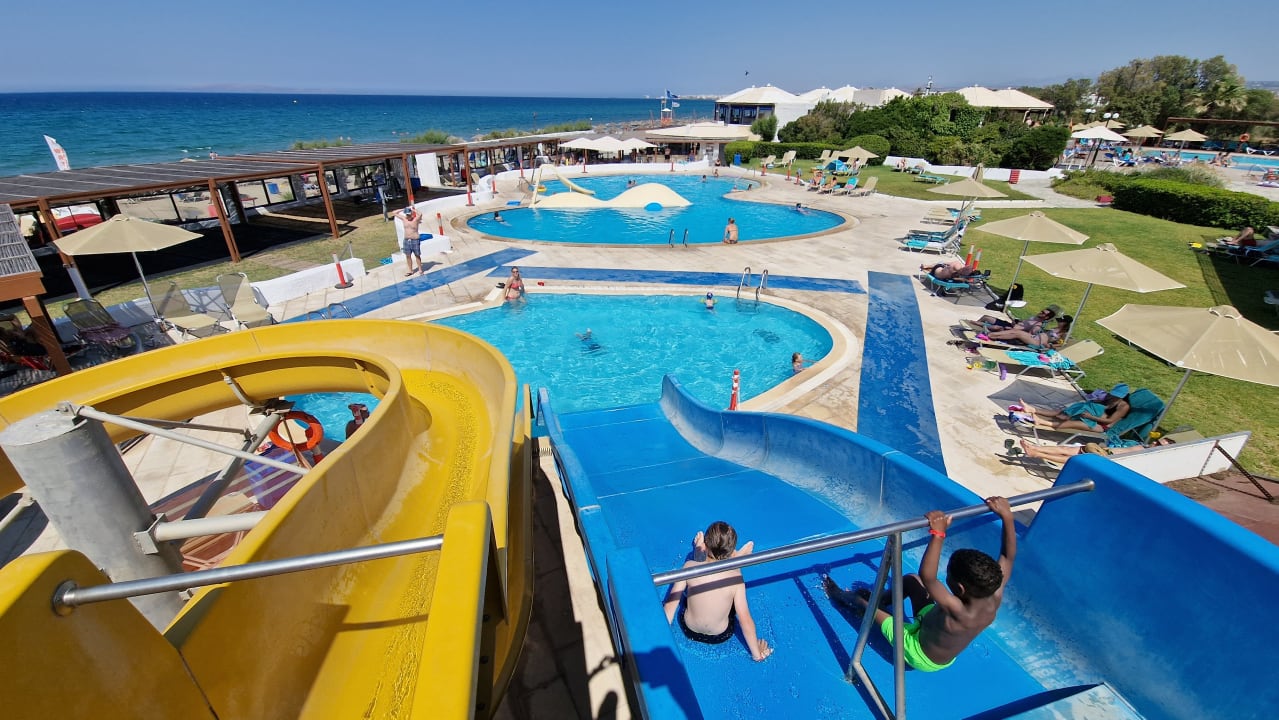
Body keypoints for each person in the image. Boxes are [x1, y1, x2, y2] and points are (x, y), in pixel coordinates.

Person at [823, 497, 1016, 673]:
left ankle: (838, 595)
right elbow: (1007, 557)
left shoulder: (957, 609)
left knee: (864, 600)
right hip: (930, 628)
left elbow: (929, 577)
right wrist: (1007, 516)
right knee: (911, 581)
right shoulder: (994, 594)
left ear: (960, 588)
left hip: (919, 652)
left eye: (948, 574)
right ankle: (882, 601)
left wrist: (938, 534)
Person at [662, 521, 773, 662]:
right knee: (733, 579)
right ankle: (738, 560)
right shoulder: (736, 579)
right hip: (720, 636)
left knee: (690, 587)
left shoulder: (688, 567)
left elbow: (670, 606)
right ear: (731, 551)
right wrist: (757, 654)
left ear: (706, 545)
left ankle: (699, 555)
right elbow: (744, 619)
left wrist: (658, 638)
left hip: (688, 629)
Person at [1016, 383, 1131, 432]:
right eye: (1113, 394)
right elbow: (1096, 404)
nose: (1113, 397)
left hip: (1101, 426)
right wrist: (1095, 401)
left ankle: (1041, 422)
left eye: (1116, 396)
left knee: (1073, 423)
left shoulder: (1124, 407)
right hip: (1092, 415)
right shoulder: (1109, 397)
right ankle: (1032, 410)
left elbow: (1109, 421)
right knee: (1063, 411)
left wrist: (1090, 416)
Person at [1016, 436, 1175, 463]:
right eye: (1157, 441)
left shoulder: (1147, 458)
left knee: (1072, 458)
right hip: (1103, 451)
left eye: (1159, 445)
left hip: (1107, 460)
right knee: (1067, 449)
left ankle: (1036, 453)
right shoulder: (1144, 446)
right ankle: (1035, 448)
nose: (1155, 443)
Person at [985, 315, 1072, 348]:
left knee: (1018, 333)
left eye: (1060, 321)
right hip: (1034, 338)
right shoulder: (1056, 328)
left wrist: (1049, 345)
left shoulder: (1064, 334)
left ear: (1065, 323)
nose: (1058, 322)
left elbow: (1062, 344)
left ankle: (992, 335)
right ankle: (993, 335)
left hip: (1038, 343)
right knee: (1015, 331)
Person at [391, 206, 426, 276]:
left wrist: (413, 210)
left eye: (409, 214)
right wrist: (403, 209)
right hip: (407, 240)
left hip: (415, 240)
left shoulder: (416, 220)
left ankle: (420, 269)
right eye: (407, 215)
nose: (408, 216)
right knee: (408, 256)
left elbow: (420, 214)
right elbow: (394, 212)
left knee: (417, 255)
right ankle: (410, 270)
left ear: (411, 214)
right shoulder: (404, 219)